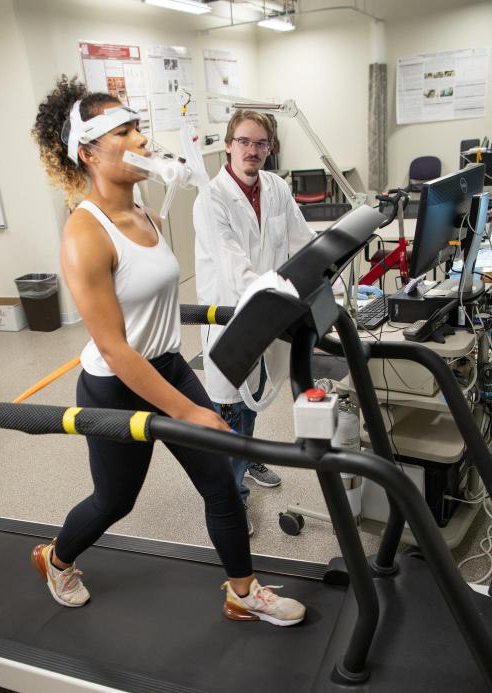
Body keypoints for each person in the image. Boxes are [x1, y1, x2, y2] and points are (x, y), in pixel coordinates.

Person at [28, 76, 305, 626]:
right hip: (115, 383)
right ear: (87, 152)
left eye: (138, 128)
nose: (141, 141)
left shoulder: (148, 214)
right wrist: (191, 410)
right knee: (115, 500)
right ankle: (56, 558)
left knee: (220, 481)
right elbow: (115, 346)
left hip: (169, 365)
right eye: (124, 132)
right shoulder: (85, 234)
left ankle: (242, 592)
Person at [193, 109, 315, 533]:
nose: (253, 151)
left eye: (261, 144)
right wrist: (280, 297)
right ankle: (232, 500)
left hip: (268, 308)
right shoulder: (211, 199)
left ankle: (247, 459)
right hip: (231, 313)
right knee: (229, 410)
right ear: (228, 145)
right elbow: (235, 268)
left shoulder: (277, 187)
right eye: (244, 141)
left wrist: (319, 273)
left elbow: (302, 243)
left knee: (255, 394)